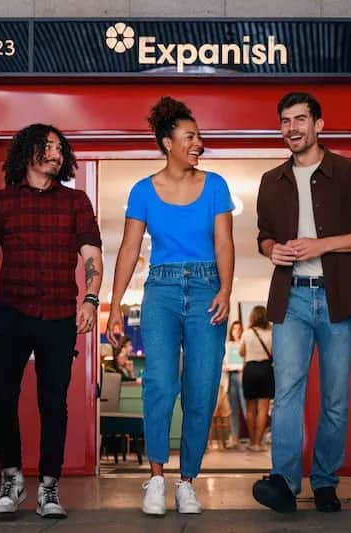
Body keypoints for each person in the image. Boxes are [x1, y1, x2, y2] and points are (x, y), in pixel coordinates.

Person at [251, 92, 351, 514]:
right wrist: (271, 248)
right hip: (290, 297)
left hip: (337, 299)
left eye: (299, 120)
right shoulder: (270, 182)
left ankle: (326, 482)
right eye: (285, 122)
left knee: (334, 398)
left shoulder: (350, 173)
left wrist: (323, 245)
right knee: (288, 392)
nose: (291, 128)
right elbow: (263, 236)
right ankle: (285, 483)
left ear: (319, 125)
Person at [0, 123, 103, 519]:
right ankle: (11, 478)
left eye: (61, 148)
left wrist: (91, 298)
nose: (58, 153)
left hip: (59, 316)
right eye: (50, 146)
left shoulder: (76, 202)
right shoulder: (2, 203)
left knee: (53, 404)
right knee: (1, 397)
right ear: (29, 152)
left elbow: (91, 253)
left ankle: (49, 488)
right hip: (11, 314)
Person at [106, 96, 234, 516]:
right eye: (190, 137)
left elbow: (224, 242)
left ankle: (188, 482)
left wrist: (225, 290)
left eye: (198, 136)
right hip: (159, 291)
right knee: (160, 384)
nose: (198, 143)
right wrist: (114, 305)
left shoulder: (215, 185)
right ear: (167, 142)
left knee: (200, 389)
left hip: (206, 289)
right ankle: (156, 478)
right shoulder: (143, 191)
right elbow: (128, 248)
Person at [240, 306, 273, 452]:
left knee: (250, 409)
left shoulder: (247, 333)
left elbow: (241, 352)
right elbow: (274, 352)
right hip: (266, 369)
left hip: (250, 370)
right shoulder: (271, 333)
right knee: (263, 409)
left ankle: (252, 441)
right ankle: (258, 443)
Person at [223, 320, 246, 449]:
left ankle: (255, 439)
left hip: (242, 377)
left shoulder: (245, 343)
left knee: (246, 408)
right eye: (234, 329)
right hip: (231, 377)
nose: (236, 331)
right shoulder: (228, 345)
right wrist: (225, 366)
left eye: (239, 329)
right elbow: (224, 362)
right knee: (234, 409)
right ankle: (235, 438)